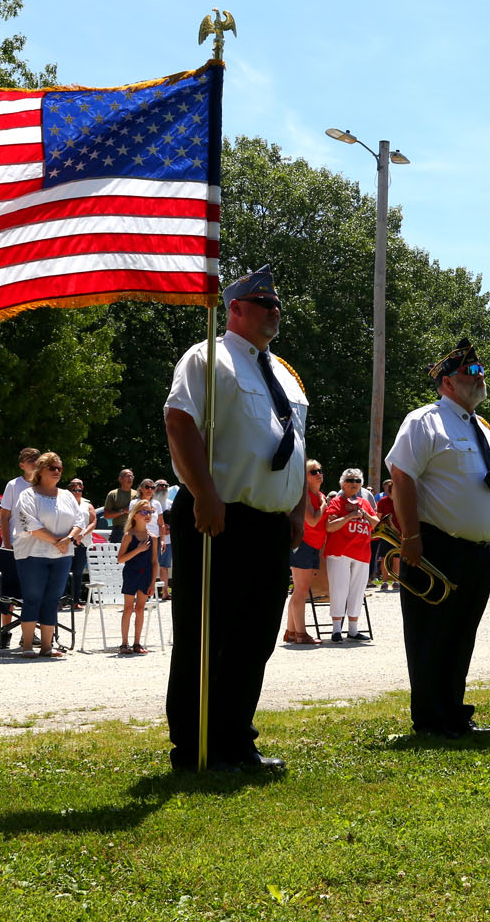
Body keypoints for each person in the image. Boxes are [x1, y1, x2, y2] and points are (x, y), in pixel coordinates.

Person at [164, 264, 308, 772]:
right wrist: (203, 492)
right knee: (207, 634)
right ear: (236, 308)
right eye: (264, 303)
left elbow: (293, 445)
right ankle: (194, 746)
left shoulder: (285, 373)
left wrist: (296, 507)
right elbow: (179, 421)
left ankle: (235, 740)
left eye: (277, 305)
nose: (275, 311)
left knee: (256, 635)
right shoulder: (208, 357)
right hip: (218, 516)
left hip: (270, 523)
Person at [385, 338, 490, 737]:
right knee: (431, 635)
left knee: (461, 635)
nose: (479, 377)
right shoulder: (425, 420)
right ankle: (431, 717)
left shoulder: (483, 429)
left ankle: (453, 710)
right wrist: (411, 535)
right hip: (436, 544)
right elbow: (401, 474)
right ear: (446, 382)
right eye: (470, 372)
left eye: (480, 371)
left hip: (476, 551)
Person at [12, 451, 82, 658]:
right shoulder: (28, 495)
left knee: (53, 599)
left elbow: (79, 521)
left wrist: (68, 540)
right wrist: (56, 541)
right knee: (33, 598)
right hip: (33, 554)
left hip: (62, 555)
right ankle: (27, 645)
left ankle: (46, 647)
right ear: (40, 471)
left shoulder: (68, 496)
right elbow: (29, 524)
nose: (57, 472)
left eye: (59, 468)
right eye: (52, 468)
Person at [322, 468, 379, 641]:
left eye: (357, 481)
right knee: (339, 589)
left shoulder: (364, 501)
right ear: (342, 484)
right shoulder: (337, 501)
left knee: (357, 590)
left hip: (362, 551)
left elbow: (376, 523)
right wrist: (350, 516)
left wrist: (364, 514)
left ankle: (353, 630)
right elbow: (330, 526)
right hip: (340, 551)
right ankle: (336, 630)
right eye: (350, 480)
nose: (354, 484)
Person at [285, 460, 325, 645]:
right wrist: (324, 504)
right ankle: (301, 634)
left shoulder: (318, 495)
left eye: (319, 470)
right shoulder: (307, 495)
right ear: (305, 476)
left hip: (312, 547)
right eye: (313, 471)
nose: (318, 473)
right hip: (304, 545)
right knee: (300, 591)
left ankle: (291, 631)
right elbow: (313, 520)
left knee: (299, 591)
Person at [118, 500, 157, 654]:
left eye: (150, 512)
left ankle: (137, 643)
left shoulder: (153, 537)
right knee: (128, 608)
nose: (147, 515)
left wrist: (153, 583)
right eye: (143, 512)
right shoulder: (129, 535)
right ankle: (124, 643)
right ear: (134, 515)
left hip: (146, 575)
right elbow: (120, 558)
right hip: (131, 574)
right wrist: (138, 550)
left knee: (140, 609)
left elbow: (155, 562)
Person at [0, 448, 40, 549]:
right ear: (22, 466)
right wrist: (7, 544)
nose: (34, 463)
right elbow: (4, 517)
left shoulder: (45, 486)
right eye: (30, 461)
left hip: (38, 546)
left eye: (37, 460)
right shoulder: (13, 485)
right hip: (15, 543)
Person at [66, 476, 96, 606]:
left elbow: (93, 522)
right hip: (68, 541)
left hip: (82, 542)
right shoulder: (64, 503)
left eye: (79, 489)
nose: (76, 491)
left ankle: (75, 600)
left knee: (78, 573)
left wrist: (81, 535)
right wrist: (72, 536)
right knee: (64, 572)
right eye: (74, 488)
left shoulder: (87, 505)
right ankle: (61, 599)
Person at [134, 479, 168, 590]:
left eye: (152, 487)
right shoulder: (134, 503)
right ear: (141, 489)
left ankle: (148, 589)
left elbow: (161, 524)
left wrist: (162, 540)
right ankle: (138, 589)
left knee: (153, 564)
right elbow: (132, 521)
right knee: (139, 563)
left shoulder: (156, 504)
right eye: (147, 487)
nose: (150, 490)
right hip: (139, 537)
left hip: (155, 539)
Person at [104, 469, 135, 545]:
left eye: (132, 476)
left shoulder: (137, 494)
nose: (130, 478)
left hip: (134, 530)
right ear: (120, 479)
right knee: (117, 556)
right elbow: (107, 515)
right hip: (119, 531)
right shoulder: (113, 494)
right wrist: (123, 511)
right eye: (128, 476)